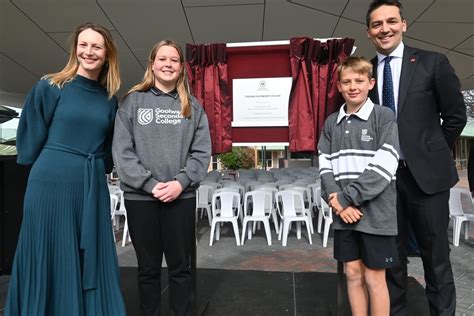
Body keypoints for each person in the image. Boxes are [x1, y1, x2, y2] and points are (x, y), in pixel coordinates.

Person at [4, 23, 126, 315]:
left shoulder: (110, 99)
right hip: (50, 181)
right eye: (83, 45)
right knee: (47, 250)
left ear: (107, 52)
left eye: (96, 46)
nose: (89, 51)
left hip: (90, 184)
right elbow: (29, 141)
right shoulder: (51, 85)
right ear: (75, 49)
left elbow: (110, 150)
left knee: (88, 253)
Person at [366, 1, 467, 315]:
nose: (385, 29)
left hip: (427, 180)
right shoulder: (365, 73)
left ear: (404, 24)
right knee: (391, 259)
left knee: (435, 258)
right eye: (377, 24)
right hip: (385, 182)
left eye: (391, 21)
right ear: (369, 32)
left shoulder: (432, 62)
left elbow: (455, 116)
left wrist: (429, 152)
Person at [112, 39, 211, 316]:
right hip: (140, 198)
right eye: (162, 59)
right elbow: (122, 152)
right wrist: (151, 185)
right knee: (147, 269)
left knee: (181, 268)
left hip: (182, 197)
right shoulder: (132, 102)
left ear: (181, 68)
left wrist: (180, 182)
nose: (168, 64)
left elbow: (202, 153)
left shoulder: (192, 106)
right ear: (152, 65)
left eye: (174, 60)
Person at [318, 56, 400, 316]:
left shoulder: (383, 116)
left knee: (375, 278)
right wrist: (337, 203)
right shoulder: (332, 122)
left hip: (376, 214)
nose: (353, 86)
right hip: (344, 213)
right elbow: (324, 166)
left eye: (359, 81)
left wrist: (347, 199)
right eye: (347, 82)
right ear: (339, 87)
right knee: (352, 274)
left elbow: (385, 164)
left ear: (371, 83)